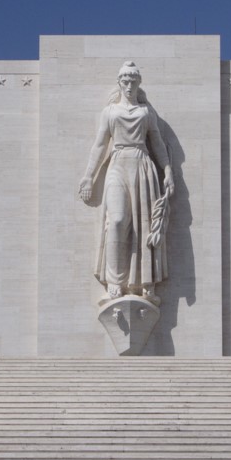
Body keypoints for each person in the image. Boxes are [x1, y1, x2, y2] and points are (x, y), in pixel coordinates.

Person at [78, 61, 174, 304]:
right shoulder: (110, 112)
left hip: (142, 165)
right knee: (118, 220)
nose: (129, 85)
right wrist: (89, 176)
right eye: (125, 81)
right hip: (118, 163)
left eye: (133, 81)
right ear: (119, 83)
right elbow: (100, 145)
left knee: (144, 226)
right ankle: (114, 280)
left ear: (138, 83)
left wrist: (168, 172)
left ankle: (146, 282)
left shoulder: (146, 112)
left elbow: (158, 145)